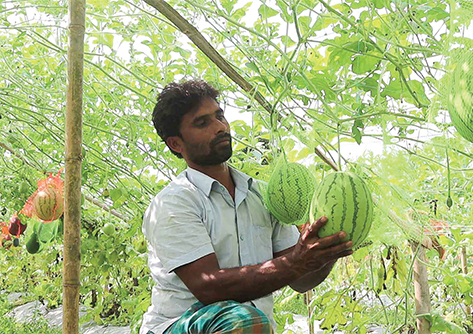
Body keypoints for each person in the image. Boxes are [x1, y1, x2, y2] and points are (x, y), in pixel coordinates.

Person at [140, 80, 354, 334]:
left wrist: (325, 251)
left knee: (247, 321)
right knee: (242, 320)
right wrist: (296, 262)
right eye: (202, 122)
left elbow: (301, 280)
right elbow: (208, 287)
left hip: (248, 326)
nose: (220, 126)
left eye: (219, 116)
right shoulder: (175, 202)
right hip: (178, 325)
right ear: (176, 144)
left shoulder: (264, 195)